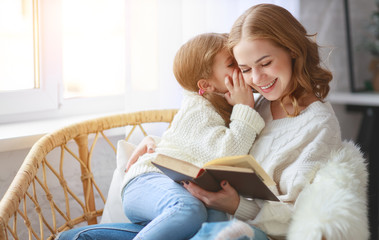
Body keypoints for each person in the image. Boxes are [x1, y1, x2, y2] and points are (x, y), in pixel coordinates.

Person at [56, 3, 342, 240]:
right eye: (244, 69)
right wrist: (159, 147)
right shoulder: (256, 104)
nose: (256, 79)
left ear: (292, 50)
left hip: (237, 229)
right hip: (203, 215)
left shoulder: (317, 126)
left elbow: (305, 221)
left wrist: (237, 205)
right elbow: (204, 137)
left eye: (266, 63)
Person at [56, 32, 265, 240]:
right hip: (149, 180)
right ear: (206, 86)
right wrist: (244, 108)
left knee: (210, 227)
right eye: (232, 64)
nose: (241, 68)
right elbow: (228, 155)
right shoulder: (198, 109)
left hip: (173, 193)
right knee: (189, 210)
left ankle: (77, 238)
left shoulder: (221, 104)